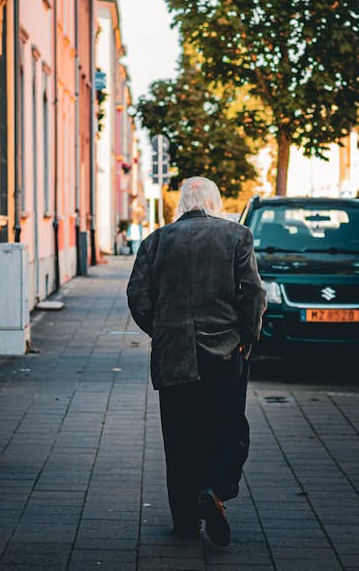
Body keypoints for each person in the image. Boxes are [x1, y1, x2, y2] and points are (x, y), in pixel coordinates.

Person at [126, 176, 266, 546]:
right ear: (214, 203)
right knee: (229, 430)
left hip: (174, 358)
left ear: (181, 205)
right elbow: (253, 293)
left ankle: (187, 522)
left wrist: (163, 331)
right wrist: (247, 337)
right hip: (224, 354)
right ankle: (216, 489)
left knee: (179, 438)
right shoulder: (237, 237)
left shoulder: (155, 241)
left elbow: (138, 296)